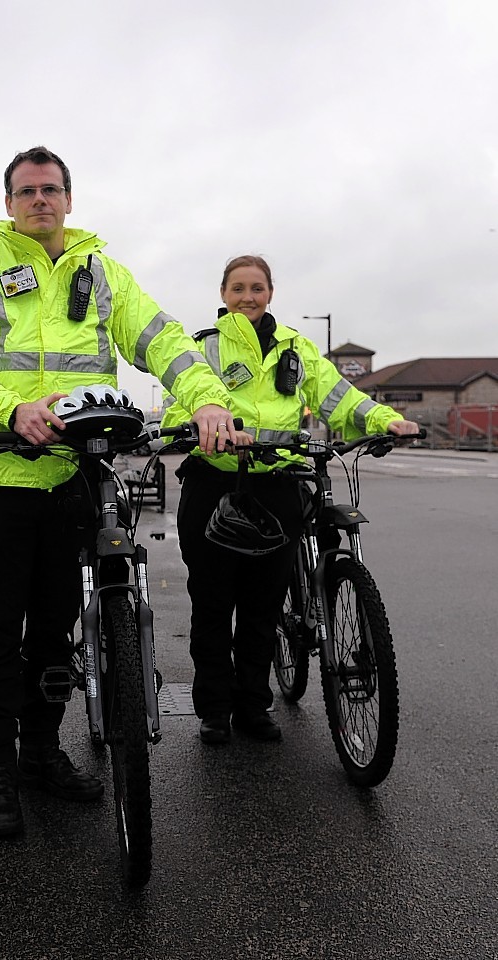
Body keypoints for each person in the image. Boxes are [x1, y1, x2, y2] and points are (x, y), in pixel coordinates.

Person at [0, 145, 237, 838]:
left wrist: (208, 402)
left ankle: (41, 754)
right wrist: (9, 411)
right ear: (9, 203)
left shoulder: (103, 272)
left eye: (51, 190)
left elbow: (162, 340)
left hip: (73, 477)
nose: (40, 200)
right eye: (27, 191)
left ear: (69, 199)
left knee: (54, 632)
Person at [160, 254, 420, 745]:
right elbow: (181, 399)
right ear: (222, 294)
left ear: (271, 293)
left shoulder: (293, 348)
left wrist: (384, 420)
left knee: (262, 606)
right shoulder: (202, 348)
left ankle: (253, 706)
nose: (248, 297)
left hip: (277, 485)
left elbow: (338, 396)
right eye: (237, 288)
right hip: (216, 485)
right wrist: (196, 427)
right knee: (213, 606)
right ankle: (214, 709)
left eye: (257, 288)